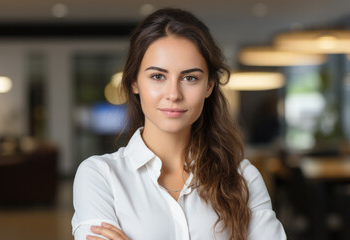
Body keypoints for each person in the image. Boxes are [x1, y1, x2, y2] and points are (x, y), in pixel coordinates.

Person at [71, 8, 287, 240]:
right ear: (134, 82)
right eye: (157, 76)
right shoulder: (100, 176)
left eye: (190, 78)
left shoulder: (243, 178)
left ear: (209, 86)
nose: (173, 94)